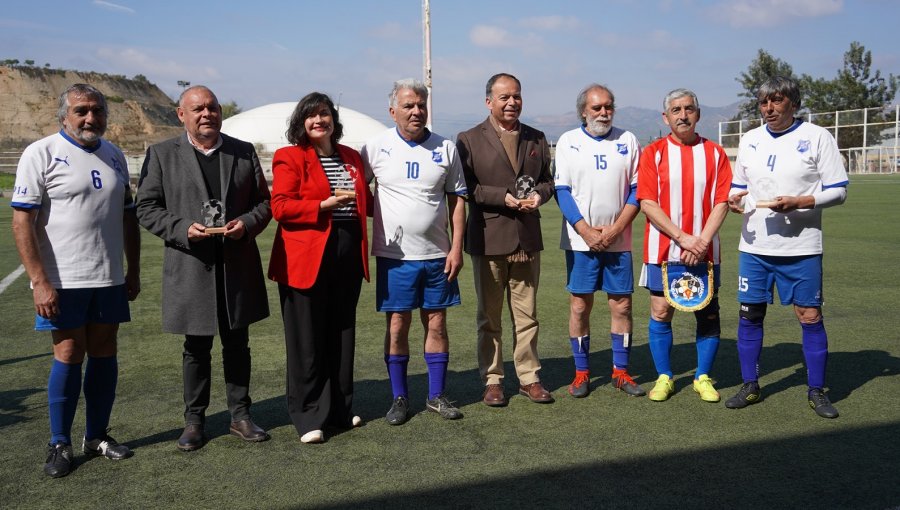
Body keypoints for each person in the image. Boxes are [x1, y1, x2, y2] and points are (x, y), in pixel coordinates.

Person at [11, 83, 141, 477]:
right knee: (68, 352)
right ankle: (59, 442)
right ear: (63, 115)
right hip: (62, 280)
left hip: (108, 277)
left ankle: (97, 435)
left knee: (104, 351)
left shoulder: (114, 154)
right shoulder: (42, 153)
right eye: (82, 110)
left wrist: (132, 269)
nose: (91, 118)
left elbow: (127, 216)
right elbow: (22, 221)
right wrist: (40, 281)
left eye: (98, 111)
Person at [136, 85, 272, 450]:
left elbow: (264, 203)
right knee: (195, 347)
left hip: (236, 266)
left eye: (212, 107)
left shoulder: (243, 152)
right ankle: (194, 421)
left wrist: (246, 224)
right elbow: (146, 208)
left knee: (238, 344)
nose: (206, 113)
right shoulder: (163, 154)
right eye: (197, 109)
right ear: (181, 114)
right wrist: (182, 229)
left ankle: (240, 416)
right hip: (191, 265)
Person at [725, 76, 848, 418]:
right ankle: (750, 385)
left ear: (792, 103)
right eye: (764, 103)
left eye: (776, 101)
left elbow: (839, 190)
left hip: (802, 248)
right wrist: (735, 201)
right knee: (749, 317)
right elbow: (739, 188)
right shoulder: (749, 139)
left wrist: (800, 201)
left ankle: (817, 391)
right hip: (754, 247)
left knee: (809, 316)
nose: (769, 108)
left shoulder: (817, 137)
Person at [360, 78, 467, 425]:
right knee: (397, 327)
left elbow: (457, 200)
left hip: (438, 256)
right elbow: (357, 194)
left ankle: (436, 396)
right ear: (393, 111)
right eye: (408, 105)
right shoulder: (374, 148)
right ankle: (399, 398)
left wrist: (456, 247)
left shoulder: (445, 148)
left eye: (421, 104)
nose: (416, 111)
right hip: (396, 258)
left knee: (436, 324)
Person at [268, 92, 371, 443]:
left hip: (346, 253)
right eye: (311, 116)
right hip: (305, 256)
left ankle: (340, 410)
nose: (319, 121)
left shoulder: (352, 158)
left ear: (333, 119)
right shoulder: (289, 157)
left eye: (324, 114)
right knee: (306, 340)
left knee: (341, 334)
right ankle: (309, 415)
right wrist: (323, 204)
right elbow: (280, 207)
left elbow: (367, 202)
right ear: (301, 121)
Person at [455, 73, 555, 407]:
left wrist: (540, 196)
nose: (511, 102)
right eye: (504, 97)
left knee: (527, 315)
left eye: (517, 96)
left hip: (527, 238)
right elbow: (465, 188)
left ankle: (529, 377)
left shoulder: (537, 138)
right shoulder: (468, 139)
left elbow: (547, 181)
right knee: (490, 316)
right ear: (489, 102)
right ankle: (493, 380)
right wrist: (504, 198)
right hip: (488, 238)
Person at [636, 88, 732, 403]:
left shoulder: (716, 154)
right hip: (664, 248)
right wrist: (683, 237)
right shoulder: (653, 153)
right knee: (661, 310)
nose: (682, 115)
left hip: (705, 249)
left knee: (707, 311)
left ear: (698, 113)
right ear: (666, 117)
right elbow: (648, 202)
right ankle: (664, 376)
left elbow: (722, 201)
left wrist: (702, 240)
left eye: (688, 108)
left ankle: (702, 376)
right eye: (675, 110)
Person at [553, 84, 644, 398]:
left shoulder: (628, 140)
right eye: (597, 108)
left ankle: (620, 372)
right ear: (583, 111)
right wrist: (585, 231)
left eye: (608, 107)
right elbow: (561, 191)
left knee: (622, 305)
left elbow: (636, 190)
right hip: (582, 243)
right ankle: (581, 373)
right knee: (580, 307)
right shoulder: (568, 142)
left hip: (619, 240)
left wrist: (617, 228)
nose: (604, 113)